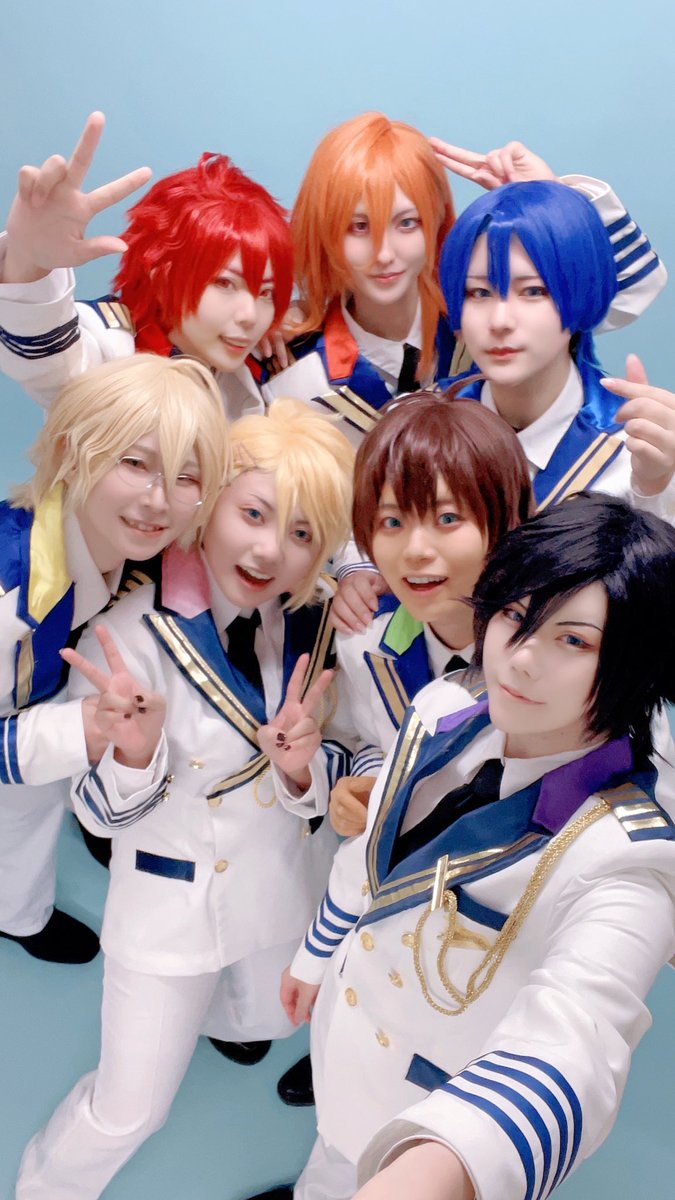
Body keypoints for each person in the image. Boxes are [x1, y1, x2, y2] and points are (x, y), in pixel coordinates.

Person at [258, 492, 675, 1200]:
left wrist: (438, 1174)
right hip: (341, 1039)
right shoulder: (442, 707)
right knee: (327, 1161)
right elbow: (371, 862)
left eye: (574, 641)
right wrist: (315, 955)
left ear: (638, 663)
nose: (521, 658)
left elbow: (575, 1045)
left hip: (424, 1117)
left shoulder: (626, 856)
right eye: (514, 614)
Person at [15, 398, 355, 1199]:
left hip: (278, 894)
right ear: (209, 505)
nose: (268, 549)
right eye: (253, 514)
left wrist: (303, 770)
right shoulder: (128, 633)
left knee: (262, 1020)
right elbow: (96, 814)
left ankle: (228, 1021)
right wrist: (133, 755)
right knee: (128, 1111)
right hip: (166, 910)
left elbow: (328, 783)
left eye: (301, 533)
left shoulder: (312, 630)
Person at [277, 391, 533, 1111]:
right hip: (378, 922)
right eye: (391, 522)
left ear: (506, 518)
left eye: (447, 519)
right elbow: (368, 741)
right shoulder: (367, 640)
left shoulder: (554, 647)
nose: (414, 550)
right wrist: (355, 784)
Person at [0, 353, 227, 965]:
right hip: (20, 720)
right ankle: (15, 916)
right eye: (134, 463)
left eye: (186, 477)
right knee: (22, 805)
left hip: (34, 698)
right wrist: (75, 732)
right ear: (71, 452)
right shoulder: (9, 591)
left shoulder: (115, 540)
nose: (159, 501)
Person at [0, 112, 294, 419]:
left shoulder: (257, 369)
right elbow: (52, 366)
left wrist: (297, 321)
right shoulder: (109, 348)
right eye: (225, 283)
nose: (250, 317)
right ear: (163, 274)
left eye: (266, 293)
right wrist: (29, 265)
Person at [438, 179, 675, 517]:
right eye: (479, 293)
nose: (500, 321)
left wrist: (652, 490)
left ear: (581, 293)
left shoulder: (635, 448)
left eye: (533, 291)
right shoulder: (416, 427)